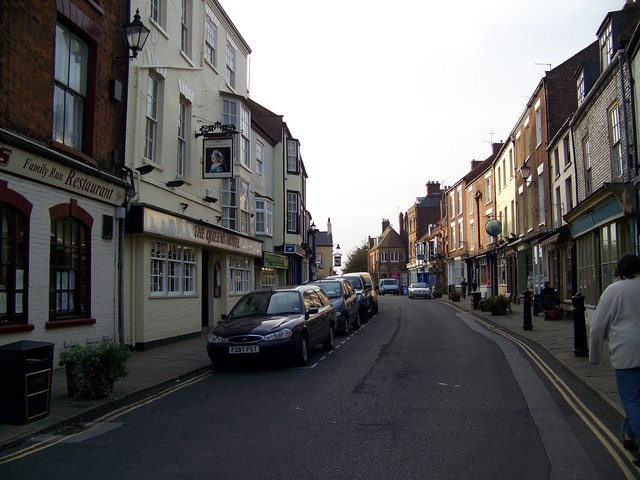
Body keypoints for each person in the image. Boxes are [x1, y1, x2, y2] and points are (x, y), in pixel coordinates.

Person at [589, 254, 640, 465]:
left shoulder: (614, 290)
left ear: (619, 270)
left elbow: (597, 327)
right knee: (635, 400)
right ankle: (628, 436)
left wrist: (594, 356)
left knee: (632, 400)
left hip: (627, 353)